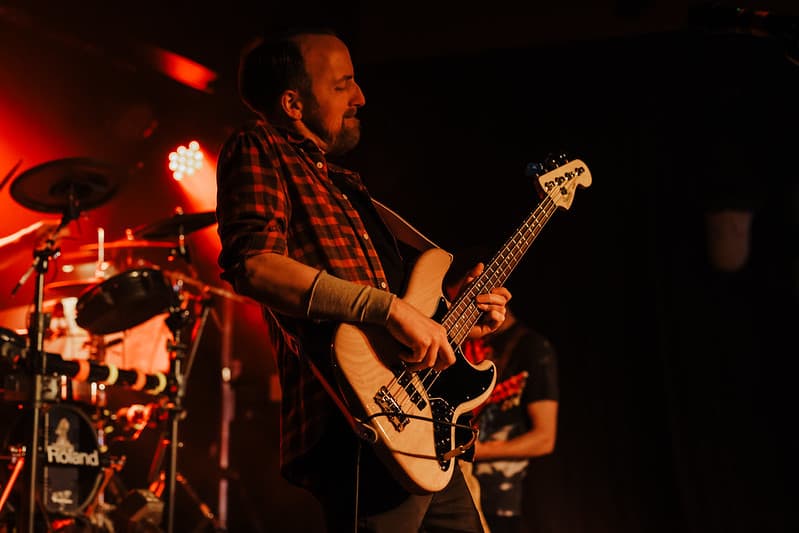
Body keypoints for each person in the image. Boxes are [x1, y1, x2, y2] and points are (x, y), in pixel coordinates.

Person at [214, 27, 512, 532]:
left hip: (427, 427)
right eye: (342, 85)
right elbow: (255, 265)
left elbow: (397, 311)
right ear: (292, 102)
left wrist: (450, 323)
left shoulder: (346, 183)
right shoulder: (258, 143)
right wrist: (390, 309)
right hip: (356, 420)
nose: (360, 97)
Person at [461, 306, 559, 533]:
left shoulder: (532, 348)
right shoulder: (458, 340)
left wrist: (472, 450)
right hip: (441, 490)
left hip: (496, 504)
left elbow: (544, 438)